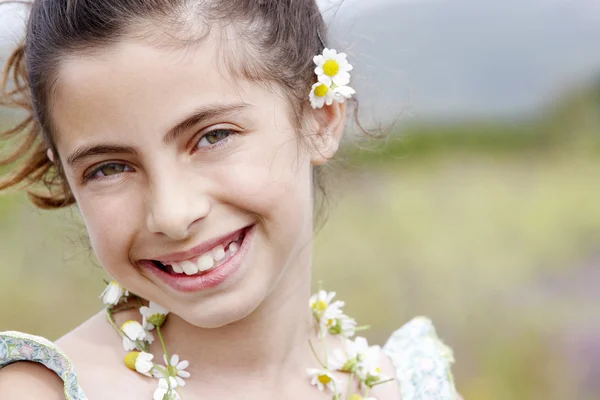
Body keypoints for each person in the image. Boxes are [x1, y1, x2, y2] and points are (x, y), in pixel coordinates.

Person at [0, 1, 461, 399]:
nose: (173, 215)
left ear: (319, 117)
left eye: (213, 137)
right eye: (109, 168)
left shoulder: (409, 388)